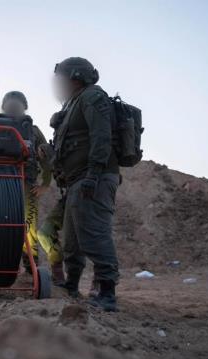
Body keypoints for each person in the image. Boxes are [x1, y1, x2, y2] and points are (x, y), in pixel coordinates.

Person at [51, 57, 120, 312]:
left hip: (94, 178)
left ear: (75, 77)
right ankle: (72, 285)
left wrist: (93, 173)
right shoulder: (73, 103)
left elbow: (102, 136)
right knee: (72, 239)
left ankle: (107, 292)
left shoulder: (92, 97)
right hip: (77, 180)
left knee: (94, 234)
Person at [1, 91, 52, 273]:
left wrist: (45, 183)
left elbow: (46, 157)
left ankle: (31, 265)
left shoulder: (33, 130)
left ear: (24, 108)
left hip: (27, 183)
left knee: (29, 225)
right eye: (9, 107)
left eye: (17, 107)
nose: (13, 110)